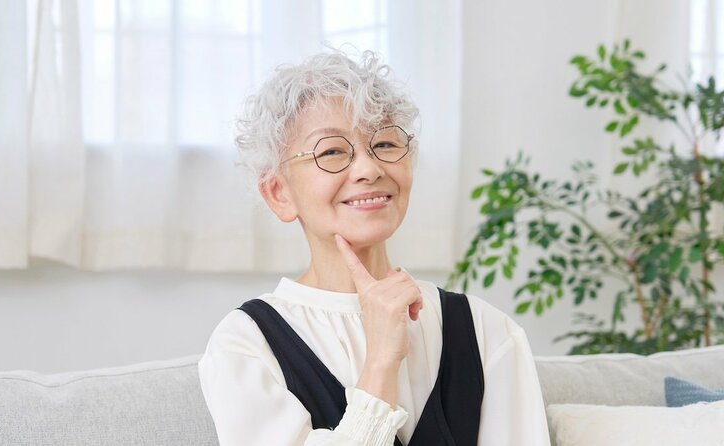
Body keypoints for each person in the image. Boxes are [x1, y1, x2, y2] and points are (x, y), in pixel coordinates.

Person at [198, 51, 550, 446]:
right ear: (279, 193)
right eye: (331, 151)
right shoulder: (246, 345)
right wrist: (381, 359)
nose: (369, 168)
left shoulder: (487, 331)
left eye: (384, 143)